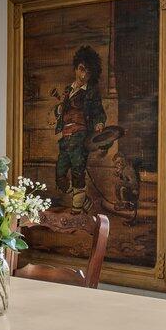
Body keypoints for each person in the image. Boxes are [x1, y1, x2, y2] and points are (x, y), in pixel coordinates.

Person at [50, 45, 105, 211]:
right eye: (81, 69)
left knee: (77, 172)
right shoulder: (68, 90)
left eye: (88, 72)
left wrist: (99, 123)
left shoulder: (91, 92)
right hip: (65, 138)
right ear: (76, 68)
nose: (83, 75)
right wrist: (59, 110)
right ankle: (83, 201)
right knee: (60, 176)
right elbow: (61, 111)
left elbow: (98, 111)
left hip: (80, 137)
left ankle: (77, 210)